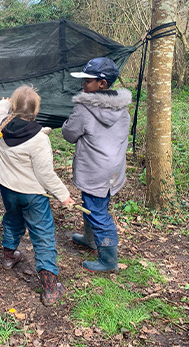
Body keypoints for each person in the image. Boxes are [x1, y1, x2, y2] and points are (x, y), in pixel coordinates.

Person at [0, 85, 75, 306]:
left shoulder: (2, 125)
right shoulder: (39, 139)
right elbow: (45, 174)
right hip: (32, 195)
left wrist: (3, 102)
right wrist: (64, 196)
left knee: (12, 218)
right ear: (36, 111)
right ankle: (50, 288)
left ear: (13, 107)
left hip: (8, 189)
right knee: (42, 234)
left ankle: (8, 256)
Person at [62, 57, 132, 273]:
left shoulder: (85, 108)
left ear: (102, 83)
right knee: (95, 204)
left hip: (94, 169)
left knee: (98, 212)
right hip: (112, 170)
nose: (83, 84)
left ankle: (108, 260)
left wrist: (66, 123)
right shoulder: (122, 107)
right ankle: (90, 239)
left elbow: (69, 133)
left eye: (87, 81)